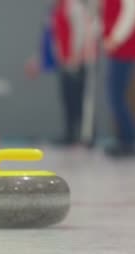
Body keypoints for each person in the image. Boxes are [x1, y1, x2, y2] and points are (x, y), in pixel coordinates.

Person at [26, 0, 97, 146]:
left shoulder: (74, 6)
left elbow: (80, 31)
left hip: (77, 62)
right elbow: (50, 37)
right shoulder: (54, 9)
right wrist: (37, 60)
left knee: (80, 101)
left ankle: (87, 138)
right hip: (64, 62)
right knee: (67, 100)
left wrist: (75, 56)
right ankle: (70, 136)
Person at [102, 0, 135, 157]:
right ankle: (123, 139)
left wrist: (115, 38)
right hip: (116, 50)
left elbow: (130, 14)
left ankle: (129, 141)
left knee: (117, 96)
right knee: (115, 96)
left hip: (124, 50)